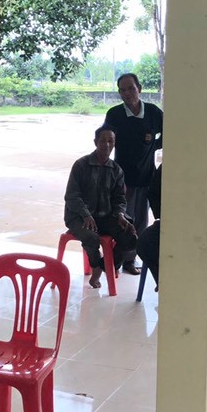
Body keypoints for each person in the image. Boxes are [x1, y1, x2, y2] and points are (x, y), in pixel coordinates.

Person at [63, 127, 137, 286]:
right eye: (103, 141)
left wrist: (120, 214)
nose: (107, 145)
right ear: (95, 142)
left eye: (111, 141)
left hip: (105, 215)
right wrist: (86, 214)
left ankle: (105, 265)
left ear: (115, 144)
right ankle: (96, 267)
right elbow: (71, 196)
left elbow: (120, 198)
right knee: (91, 237)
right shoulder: (81, 165)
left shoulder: (116, 170)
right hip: (78, 216)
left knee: (129, 234)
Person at [102, 73, 164, 260]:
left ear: (140, 89)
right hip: (122, 178)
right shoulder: (114, 114)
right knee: (123, 220)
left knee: (142, 220)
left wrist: (153, 146)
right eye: (122, 90)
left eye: (131, 88)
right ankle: (121, 259)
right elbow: (106, 140)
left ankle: (134, 257)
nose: (127, 93)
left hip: (146, 177)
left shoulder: (153, 112)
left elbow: (170, 132)